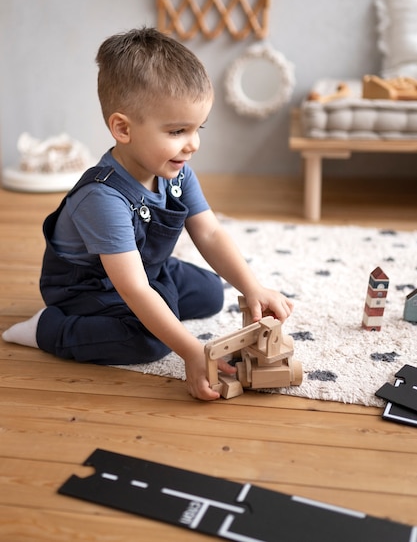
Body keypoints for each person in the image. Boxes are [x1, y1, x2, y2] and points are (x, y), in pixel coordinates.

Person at [2, 27, 293, 401]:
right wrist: (190, 350)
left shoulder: (176, 171)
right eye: (177, 131)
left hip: (147, 268)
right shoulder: (102, 198)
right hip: (91, 288)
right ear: (123, 128)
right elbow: (134, 289)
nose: (193, 144)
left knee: (210, 294)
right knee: (150, 342)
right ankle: (48, 329)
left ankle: (164, 311)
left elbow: (209, 234)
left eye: (197, 128)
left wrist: (252, 286)